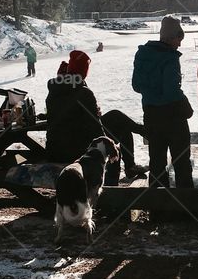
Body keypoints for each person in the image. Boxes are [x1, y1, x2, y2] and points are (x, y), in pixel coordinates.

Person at [45, 50, 147, 183]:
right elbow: (96, 129)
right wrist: (109, 145)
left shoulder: (54, 90)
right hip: (75, 150)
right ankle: (111, 188)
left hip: (55, 149)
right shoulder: (83, 93)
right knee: (116, 134)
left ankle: (131, 165)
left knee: (120, 125)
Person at [132, 16, 194, 188]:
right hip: (173, 116)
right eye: (178, 39)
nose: (179, 44)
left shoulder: (142, 54)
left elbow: (136, 85)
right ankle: (187, 205)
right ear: (171, 37)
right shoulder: (170, 58)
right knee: (181, 162)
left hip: (151, 114)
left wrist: (153, 90)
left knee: (157, 162)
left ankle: (159, 207)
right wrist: (186, 107)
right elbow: (172, 91)